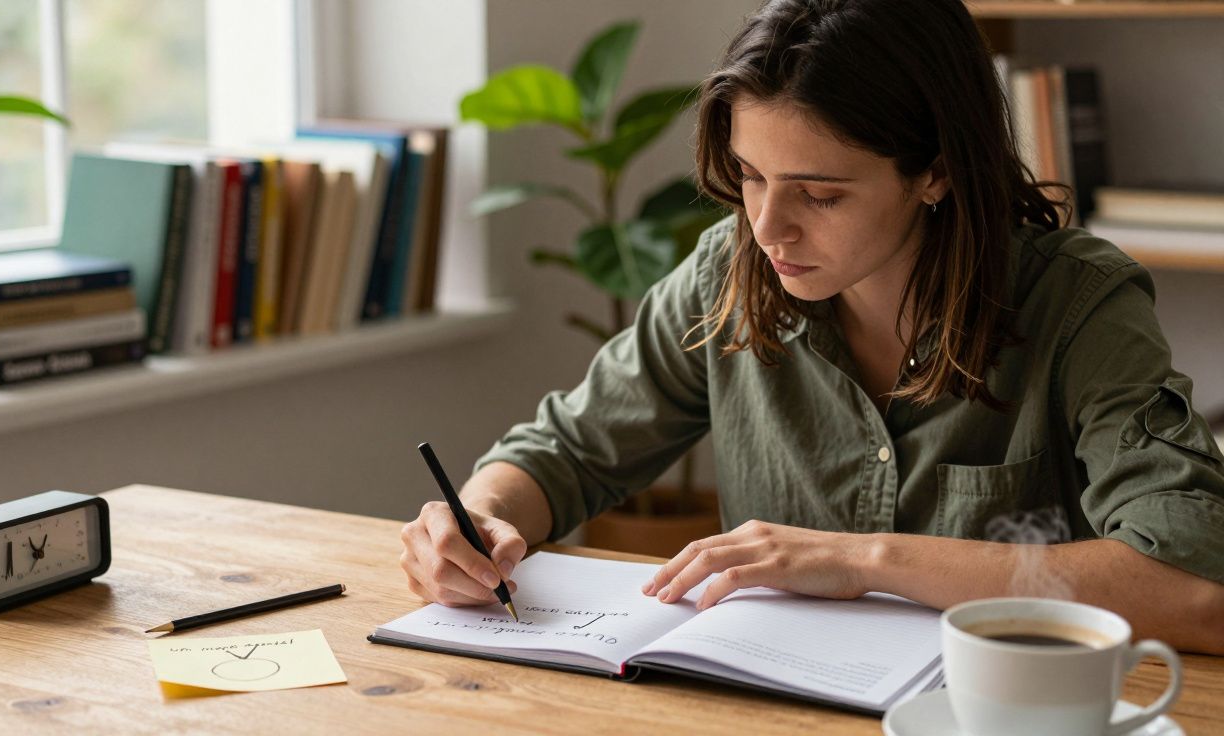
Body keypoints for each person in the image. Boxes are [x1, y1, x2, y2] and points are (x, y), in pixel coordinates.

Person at [400, 0, 1224, 654]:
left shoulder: (1080, 307)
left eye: (820, 195)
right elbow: (566, 452)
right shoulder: (730, 274)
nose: (767, 228)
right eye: (751, 177)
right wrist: (477, 520)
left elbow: (1194, 585)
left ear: (936, 170)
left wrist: (865, 560)